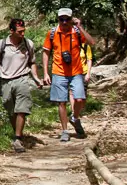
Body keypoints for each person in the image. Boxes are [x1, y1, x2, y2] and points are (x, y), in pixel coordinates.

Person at [41, 8, 96, 142]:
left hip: (76, 72)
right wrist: (45, 73)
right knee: (61, 102)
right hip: (58, 72)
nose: (64, 22)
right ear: (58, 19)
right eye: (61, 19)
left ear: (71, 19)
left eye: (67, 19)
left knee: (79, 99)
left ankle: (74, 118)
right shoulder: (52, 33)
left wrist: (80, 27)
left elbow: (91, 42)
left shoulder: (76, 32)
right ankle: (65, 130)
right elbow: (46, 52)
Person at [0, 18, 40, 153]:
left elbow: (32, 62)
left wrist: (36, 78)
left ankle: (17, 138)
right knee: (10, 109)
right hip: (5, 81)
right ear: (11, 31)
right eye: (19, 32)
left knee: (21, 109)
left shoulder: (28, 44)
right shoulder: (1, 45)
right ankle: (18, 132)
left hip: (22, 79)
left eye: (24, 31)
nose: (23, 34)